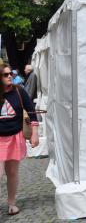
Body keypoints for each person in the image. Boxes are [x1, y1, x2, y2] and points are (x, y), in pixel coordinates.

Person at [0, 64, 40, 215]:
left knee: (12, 173)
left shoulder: (18, 90)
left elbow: (31, 111)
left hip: (15, 137)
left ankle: (11, 204)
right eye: (5, 75)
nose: (10, 76)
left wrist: (35, 133)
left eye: (10, 73)